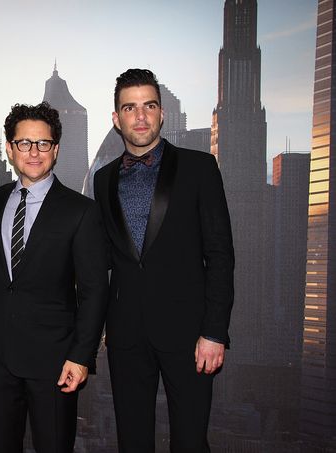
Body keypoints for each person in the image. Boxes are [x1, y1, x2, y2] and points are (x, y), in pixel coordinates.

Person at [93, 68, 234, 452]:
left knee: (190, 441)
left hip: (190, 335)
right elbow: (105, 258)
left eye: (149, 106)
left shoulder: (199, 167)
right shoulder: (103, 179)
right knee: (132, 442)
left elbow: (220, 254)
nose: (140, 116)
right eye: (130, 107)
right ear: (116, 118)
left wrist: (215, 332)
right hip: (125, 336)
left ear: (162, 113)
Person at [0, 102, 109, 453]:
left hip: (55, 362)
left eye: (43, 143)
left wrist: (81, 356)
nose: (33, 152)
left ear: (56, 149)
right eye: (24, 143)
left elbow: (95, 291)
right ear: (10, 149)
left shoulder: (81, 211)